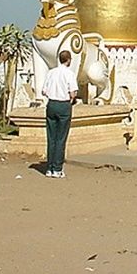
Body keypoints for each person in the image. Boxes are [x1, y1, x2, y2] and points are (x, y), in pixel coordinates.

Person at [41, 50, 78, 179]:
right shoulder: (69, 74)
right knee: (61, 138)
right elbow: (73, 93)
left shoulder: (51, 73)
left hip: (51, 104)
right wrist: (71, 99)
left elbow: (44, 91)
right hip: (63, 105)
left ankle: (49, 167)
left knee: (51, 137)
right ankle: (57, 168)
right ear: (68, 60)